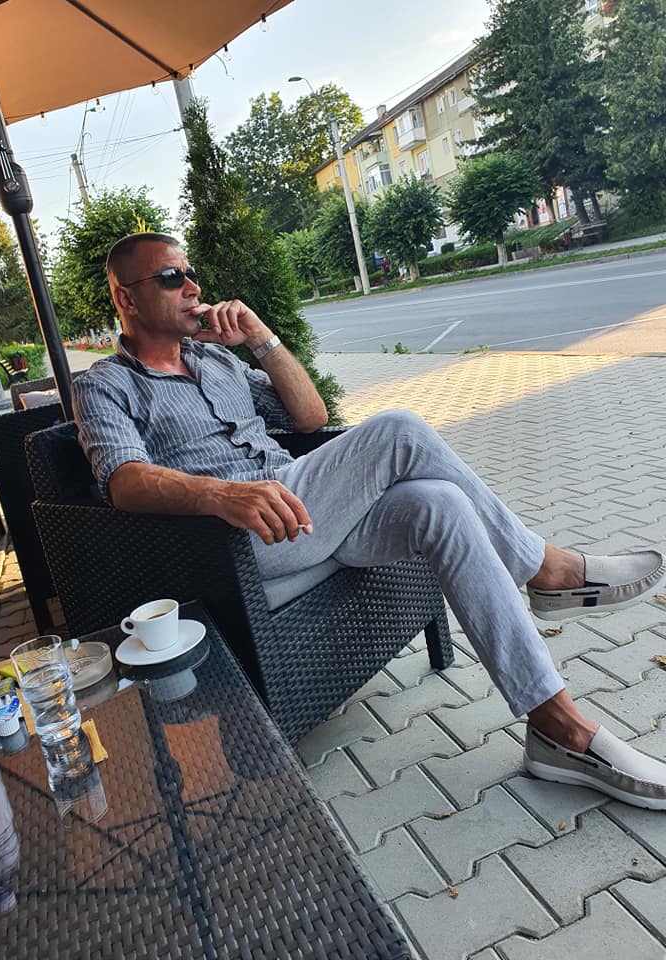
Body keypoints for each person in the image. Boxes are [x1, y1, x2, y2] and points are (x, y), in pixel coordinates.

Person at [72, 232, 666, 811]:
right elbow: (123, 480)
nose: (192, 287)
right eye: (171, 277)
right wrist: (221, 493)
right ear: (127, 297)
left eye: (190, 273)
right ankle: (548, 571)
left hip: (313, 514)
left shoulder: (216, 360)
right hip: (242, 541)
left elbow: (310, 417)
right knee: (398, 429)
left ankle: (557, 728)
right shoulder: (105, 384)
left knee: (441, 502)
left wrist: (259, 337)